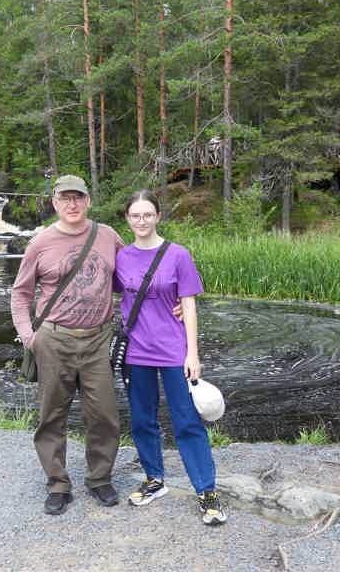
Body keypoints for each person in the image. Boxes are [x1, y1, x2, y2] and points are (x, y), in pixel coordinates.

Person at [11, 174, 123, 515]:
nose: (72, 204)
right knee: (52, 415)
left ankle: (99, 479)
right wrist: (29, 336)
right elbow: (20, 293)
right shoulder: (40, 243)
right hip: (54, 340)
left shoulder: (107, 236)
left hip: (97, 340)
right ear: (55, 203)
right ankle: (58, 484)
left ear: (88, 201)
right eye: (65, 199)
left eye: (78, 197)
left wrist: (171, 300)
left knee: (104, 414)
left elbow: (128, 282)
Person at [114, 189, 227, 526]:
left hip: (175, 352)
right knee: (141, 420)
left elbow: (189, 304)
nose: (142, 220)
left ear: (158, 216)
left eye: (148, 214)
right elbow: (110, 295)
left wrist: (193, 353)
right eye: (135, 215)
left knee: (187, 422)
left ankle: (206, 491)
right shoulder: (122, 256)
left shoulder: (178, 254)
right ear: (128, 219)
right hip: (136, 352)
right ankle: (154, 480)